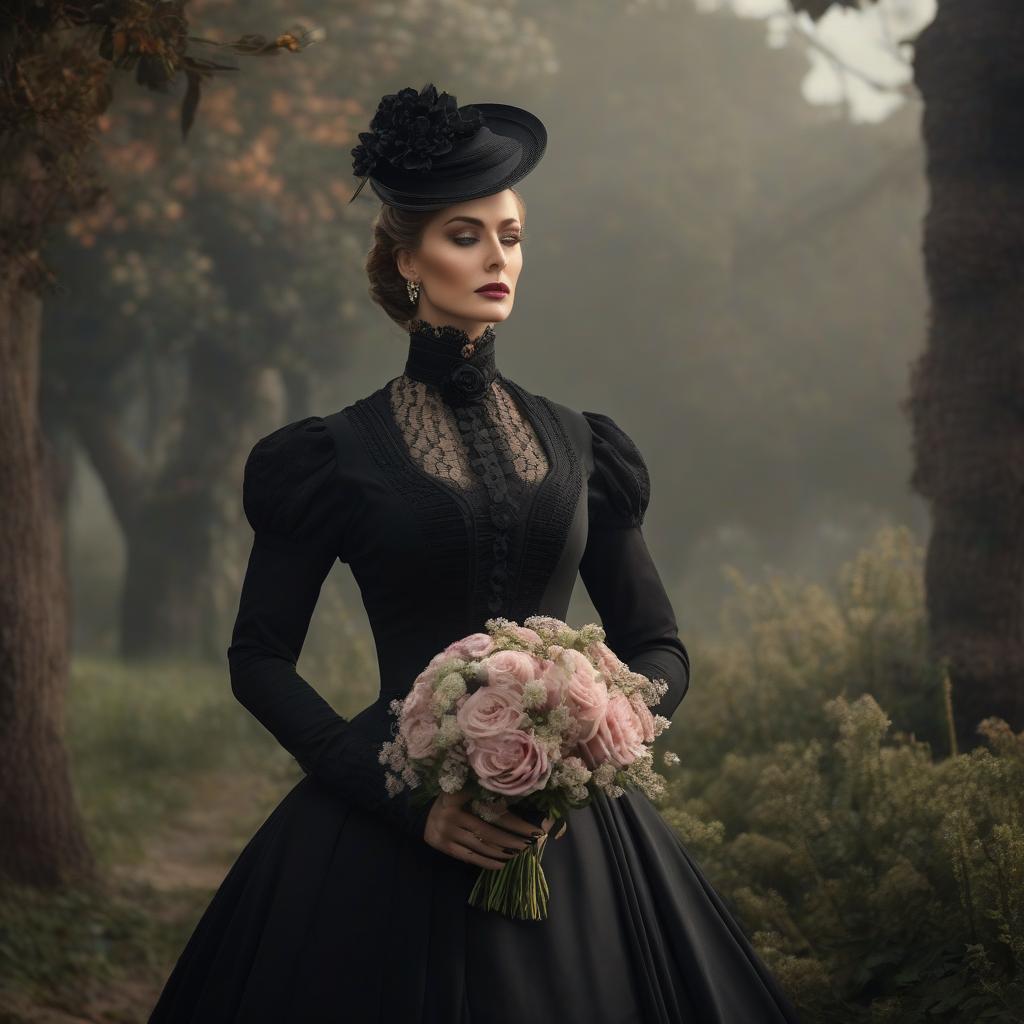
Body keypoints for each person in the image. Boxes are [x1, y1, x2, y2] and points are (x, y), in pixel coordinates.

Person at [148, 83, 801, 1023]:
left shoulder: (584, 445)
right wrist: (410, 802)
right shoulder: (330, 455)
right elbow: (258, 659)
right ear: (407, 258)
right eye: (467, 235)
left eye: (514, 234)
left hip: (573, 833)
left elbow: (659, 644)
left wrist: (590, 736)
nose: (499, 257)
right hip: (388, 822)